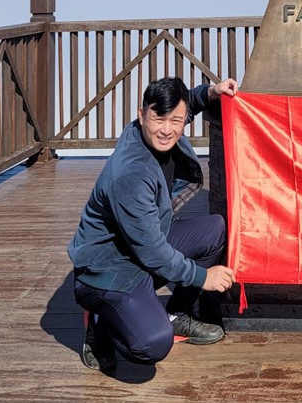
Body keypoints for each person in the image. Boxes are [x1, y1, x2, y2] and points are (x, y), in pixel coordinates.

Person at [68, 76, 238, 371]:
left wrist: (209, 93)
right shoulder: (132, 174)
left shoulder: (152, 127)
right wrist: (202, 277)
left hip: (140, 247)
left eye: (177, 121)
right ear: (141, 114)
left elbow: (183, 105)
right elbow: (153, 253)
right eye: (158, 118)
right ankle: (101, 323)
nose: (167, 129)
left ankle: (176, 312)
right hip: (108, 272)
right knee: (154, 343)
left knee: (215, 229)